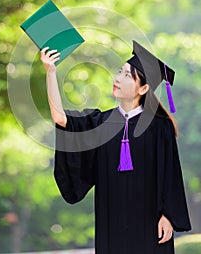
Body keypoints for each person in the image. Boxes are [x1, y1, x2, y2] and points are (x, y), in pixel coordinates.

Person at [40, 40, 191, 254]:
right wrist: (50, 72)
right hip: (112, 222)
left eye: (127, 75)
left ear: (144, 88)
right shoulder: (100, 123)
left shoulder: (159, 127)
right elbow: (60, 118)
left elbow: (170, 174)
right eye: (120, 72)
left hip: (151, 224)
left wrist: (168, 216)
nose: (117, 78)